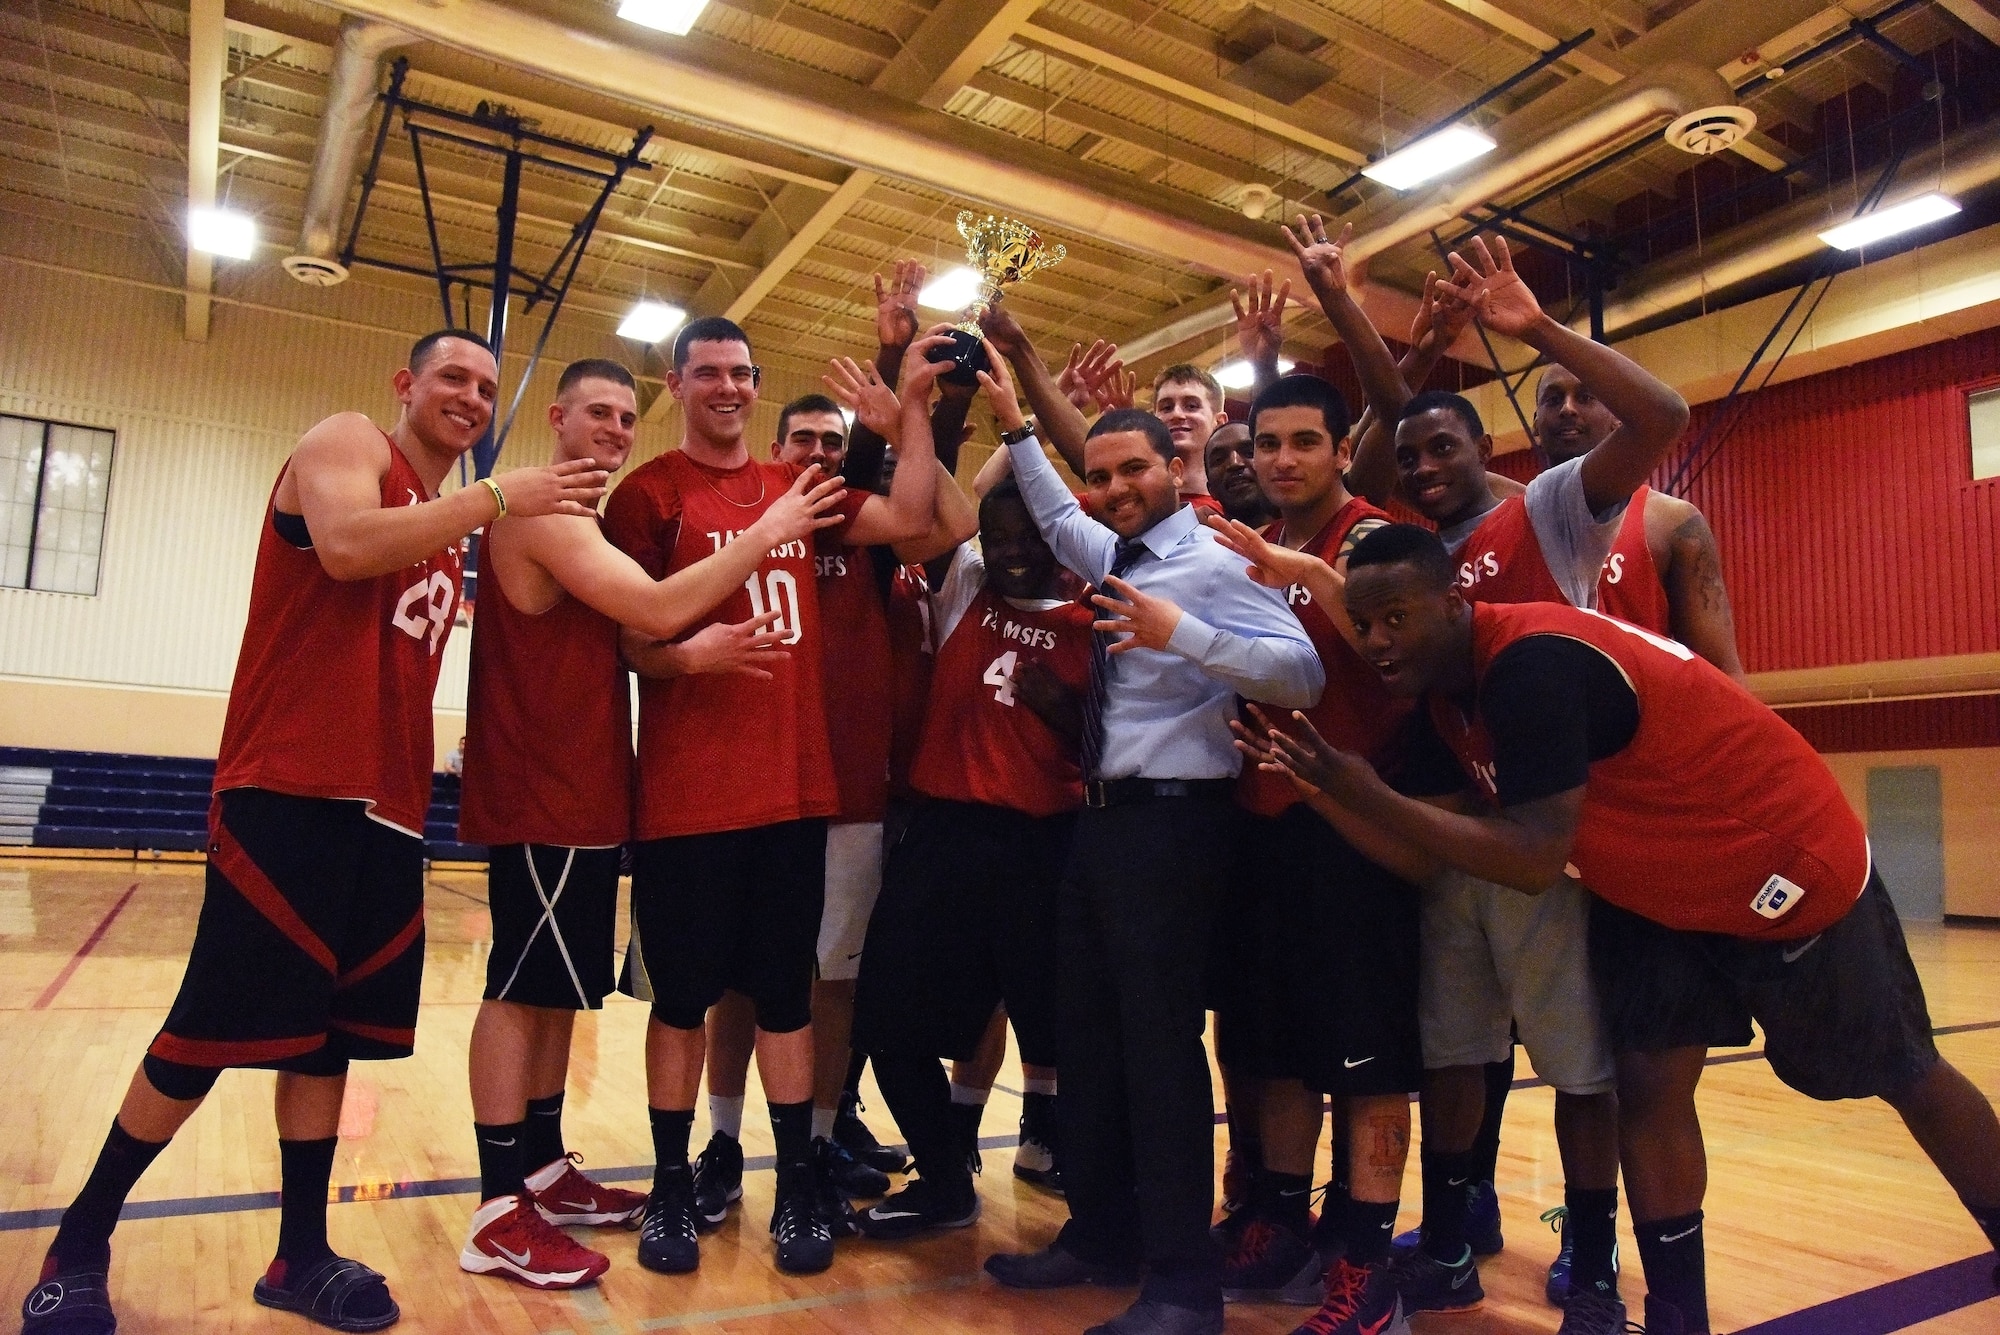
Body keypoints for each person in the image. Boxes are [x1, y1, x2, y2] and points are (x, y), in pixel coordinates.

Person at [1249, 521, 2000, 1335]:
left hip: (1780, 862)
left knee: (1901, 1070)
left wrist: (1361, 791)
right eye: (1364, 625)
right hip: (1661, 892)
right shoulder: (1445, 687)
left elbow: (1534, 856)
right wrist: (1328, 780)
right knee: (1646, 1086)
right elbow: (1455, 820)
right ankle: (1680, 1316)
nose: (1377, 640)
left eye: (1396, 617)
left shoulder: (1531, 665)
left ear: (1454, 599)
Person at [18, 330, 607, 1335]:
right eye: (452, 378)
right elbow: (341, 550)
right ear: (405, 387)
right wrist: (498, 497)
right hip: (287, 789)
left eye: (484, 386)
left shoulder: (444, 520)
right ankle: (79, 1239)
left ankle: (299, 1251)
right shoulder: (347, 445)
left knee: (326, 1040)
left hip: (383, 811)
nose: (470, 395)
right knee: (206, 1032)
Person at [1332, 237, 1686, 1332]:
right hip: (1445, 835)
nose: (1426, 464)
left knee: (1578, 1068)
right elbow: (1389, 439)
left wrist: (1527, 326)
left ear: (1484, 444)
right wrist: (1350, 310)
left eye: (1446, 446)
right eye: (1412, 455)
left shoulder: (1545, 509)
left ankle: (1588, 1249)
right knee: (1452, 1053)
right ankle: (1445, 1240)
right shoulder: (1408, 556)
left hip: (1545, 831)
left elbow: (1660, 418)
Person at [455, 358, 846, 1289]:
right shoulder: (549, 511)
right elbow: (659, 614)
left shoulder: (583, 513)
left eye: (627, 416)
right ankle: (498, 1204)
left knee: (556, 991)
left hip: (594, 790)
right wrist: (770, 531)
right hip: (544, 788)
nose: (616, 428)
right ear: (556, 417)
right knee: (521, 984)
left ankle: (543, 1172)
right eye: (599, 412)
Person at [973, 342, 1323, 1335]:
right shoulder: (1114, 548)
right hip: (1103, 827)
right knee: (1087, 1040)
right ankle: (1100, 1233)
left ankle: (1182, 1283)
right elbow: (1047, 513)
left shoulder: (1208, 564)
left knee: (1158, 1053)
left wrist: (1186, 637)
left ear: (1175, 469)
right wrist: (1015, 425)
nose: (1116, 489)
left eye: (1134, 471)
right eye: (1102, 475)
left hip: (1175, 829)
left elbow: (1301, 676)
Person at [602, 316, 947, 1279]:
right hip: (685, 799)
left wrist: (910, 408)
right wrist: (686, 654)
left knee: (788, 1004)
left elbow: (918, 519)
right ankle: (672, 1184)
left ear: (757, 386)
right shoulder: (647, 495)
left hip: (795, 795)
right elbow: (630, 641)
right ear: (677, 384)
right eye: (707, 372)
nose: (727, 387)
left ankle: (797, 1182)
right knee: (680, 1003)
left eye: (742, 374)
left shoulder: (801, 489)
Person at [1524, 358, 1747, 1311]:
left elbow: (1729, 689)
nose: (1568, 409)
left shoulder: (1668, 525)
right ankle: (1570, 1240)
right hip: (1539, 837)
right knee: (1548, 1062)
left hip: (1653, 846)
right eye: (1550, 397)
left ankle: (1660, 1294)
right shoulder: (1514, 525)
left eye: (1585, 394)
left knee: (1649, 1078)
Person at [851, 477, 1092, 1239]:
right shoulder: (966, 590)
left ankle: (1099, 1208)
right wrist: (939, 392)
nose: (1015, 550)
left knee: (1068, 1036)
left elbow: (1128, 749)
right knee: (886, 1021)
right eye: (1000, 535)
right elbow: (948, 498)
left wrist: (1068, 715)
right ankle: (946, 1178)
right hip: (944, 837)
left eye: (1033, 534)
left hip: (1043, 850)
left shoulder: (1099, 625)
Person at [1203, 423, 1273, 527]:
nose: (1235, 463)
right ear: (1211, 489)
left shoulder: (1304, 534)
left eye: (1249, 453)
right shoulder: (1203, 540)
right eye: (1219, 459)